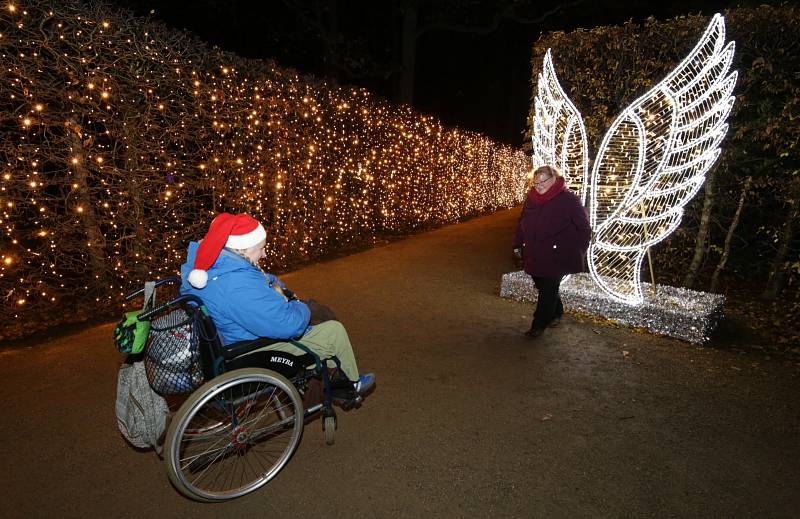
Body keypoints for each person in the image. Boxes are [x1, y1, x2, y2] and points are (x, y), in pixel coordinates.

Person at [179, 212, 375, 398]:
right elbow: (288, 325)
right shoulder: (237, 285)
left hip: (234, 335)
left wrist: (277, 286)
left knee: (316, 315)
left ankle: (331, 376)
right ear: (243, 249)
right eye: (261, 249)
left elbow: (257, 277)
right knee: (332, 330)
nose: (264, 254)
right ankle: (350, 384)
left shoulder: (213, 265)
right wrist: (299, 305)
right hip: (250, 349)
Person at [513, 165, 591, 338]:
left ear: (554, 179)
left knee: (548, 288)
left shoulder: (569, 199)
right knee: (542, 285)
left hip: (557, 254)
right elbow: (522, 222)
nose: (538, 186)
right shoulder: (531, 198)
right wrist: (518, 244)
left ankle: (539, 324)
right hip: (534, 252)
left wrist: (578, 248)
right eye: (535, 182)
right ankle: (557, 313)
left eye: (542, 181)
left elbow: (584, 227)